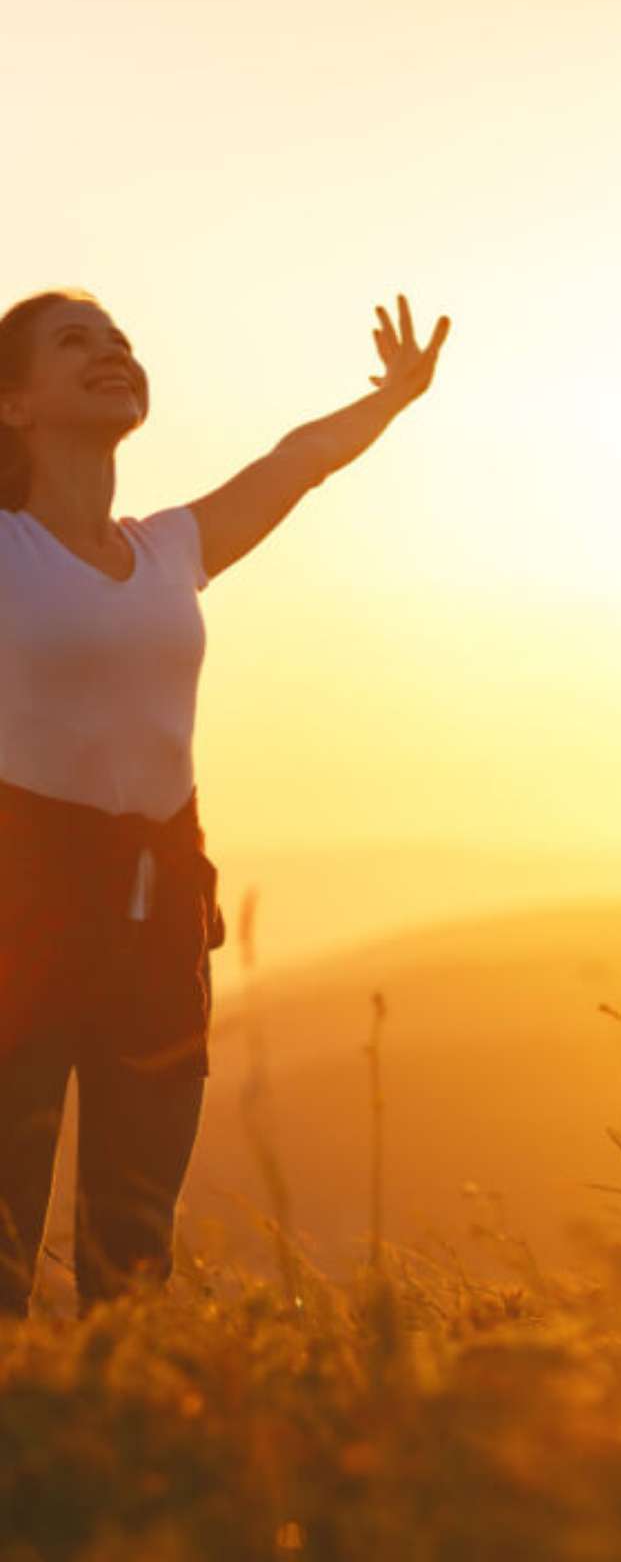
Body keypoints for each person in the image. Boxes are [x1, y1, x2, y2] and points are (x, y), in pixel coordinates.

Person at [0, 285, 451, 1318]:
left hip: (156, 911)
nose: (111, 352)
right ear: (14, 404)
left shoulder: (170, 548)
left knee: (133, 1246)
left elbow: (296, 462)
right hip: (16, 914)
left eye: (119, 341)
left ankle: (127, 1448)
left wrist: (392, 398)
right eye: (75, 344)